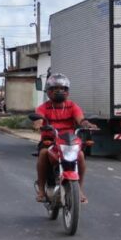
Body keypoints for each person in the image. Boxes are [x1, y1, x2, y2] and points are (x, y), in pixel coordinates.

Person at [33, 73, 97, 203]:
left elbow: (80, 119)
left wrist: (87, 125)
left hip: (69, 141)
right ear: (49, 91)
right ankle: (41, 190)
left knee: (81, 156)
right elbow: (39, 117)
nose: (59, 91)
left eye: (62, 88)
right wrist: (38, 123)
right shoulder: (43, 107)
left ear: (67, 91)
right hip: (50, 141)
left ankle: (78, 188)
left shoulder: (72, 106)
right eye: (55, 89)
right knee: (44, 153)